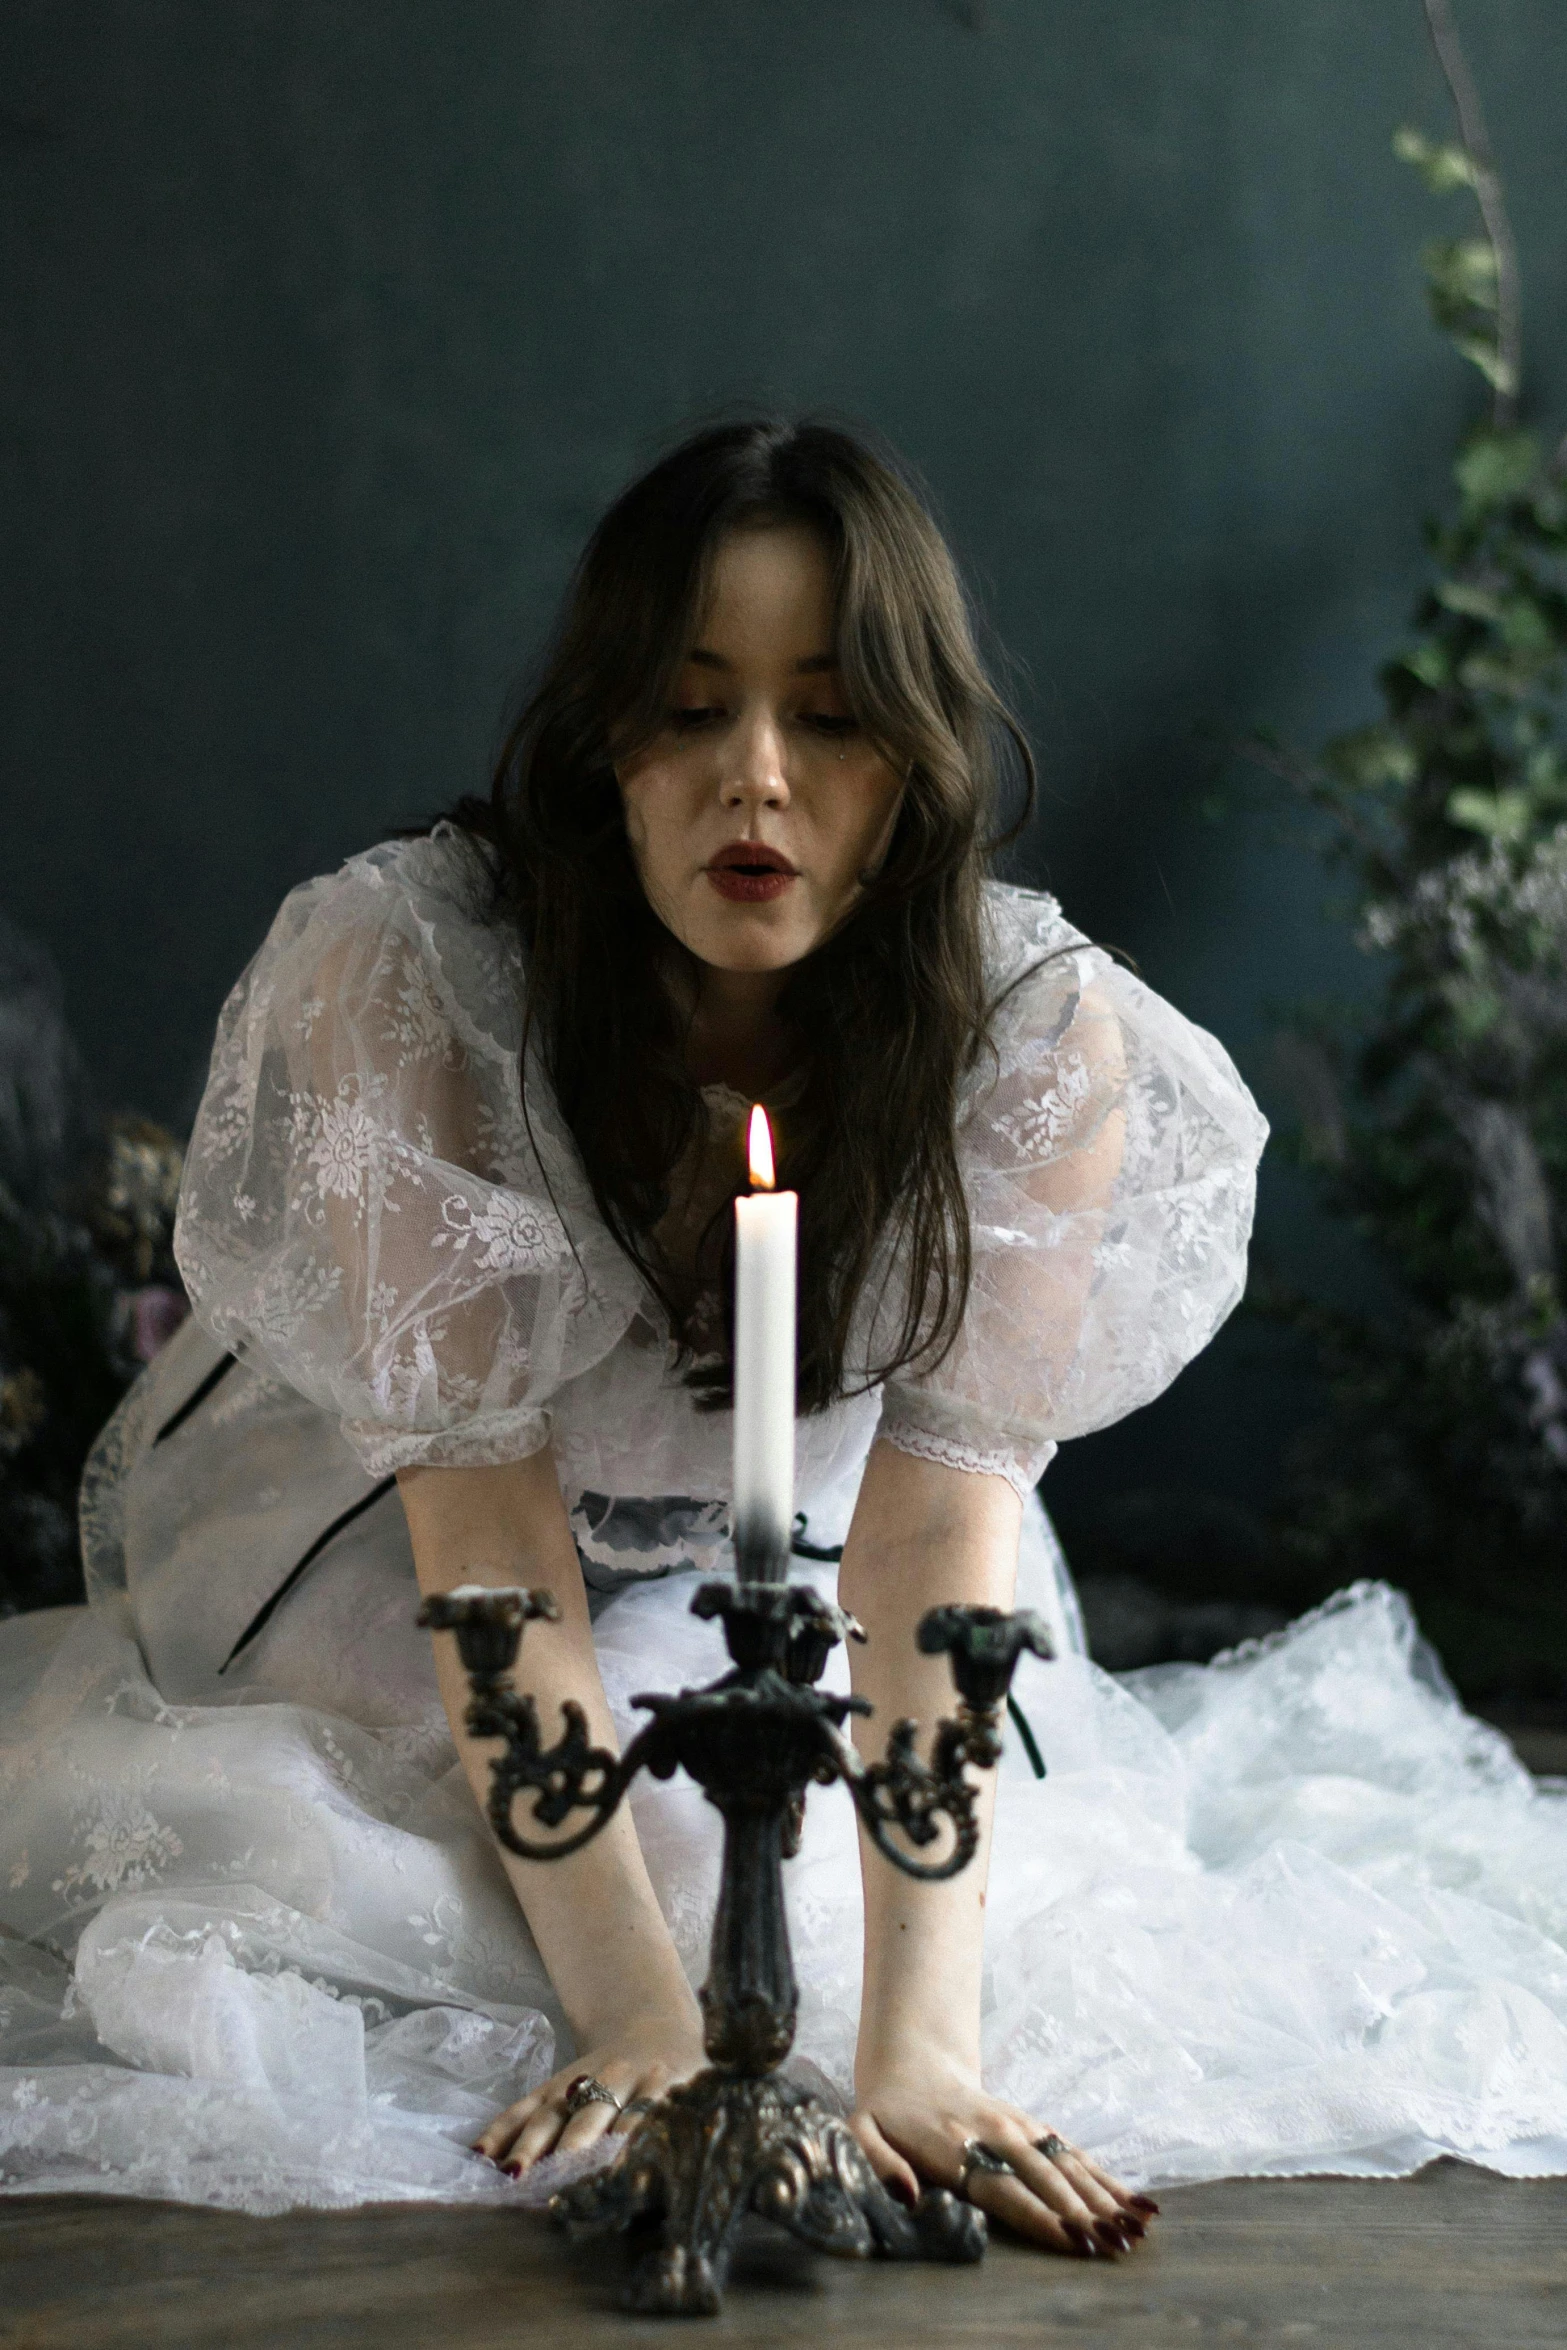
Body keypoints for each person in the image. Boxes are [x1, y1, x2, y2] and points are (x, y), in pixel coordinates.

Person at [4, 422, 1560, 2231]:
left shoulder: (1032, 1041)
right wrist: (639, 2022)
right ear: (606, 737)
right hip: (394, 1551)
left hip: (791, 1571)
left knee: (831, 1914)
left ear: (913, 756)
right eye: (690, 707)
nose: (755, 778)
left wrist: (918, 2049)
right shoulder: (415, 976)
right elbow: (482, 1534)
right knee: (555, 1903)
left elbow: (930, 1535)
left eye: (825, 716)